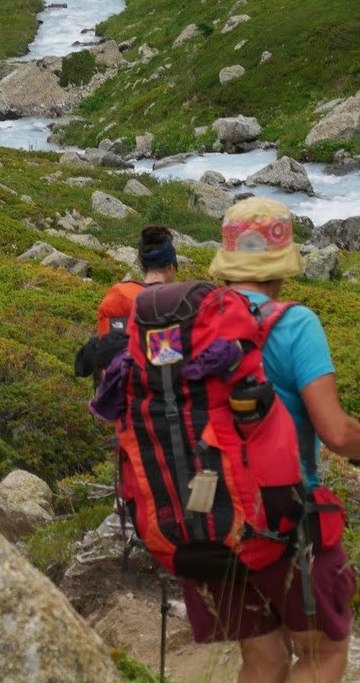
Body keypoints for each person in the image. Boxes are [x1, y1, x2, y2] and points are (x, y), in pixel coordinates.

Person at [178, 197, 359, 683]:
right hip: (285, 520)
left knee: (262, 661)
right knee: (321, 655)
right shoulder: (296, 324)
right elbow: (337, 432)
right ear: (281, 262)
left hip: (209, 519)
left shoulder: (191, 324)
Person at [75, 225, 178, 383]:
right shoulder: (174, 304)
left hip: (111, 402)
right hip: (153, 400)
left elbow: (82, 367)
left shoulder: (121, 296)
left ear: (143, 266)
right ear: (171, 267)